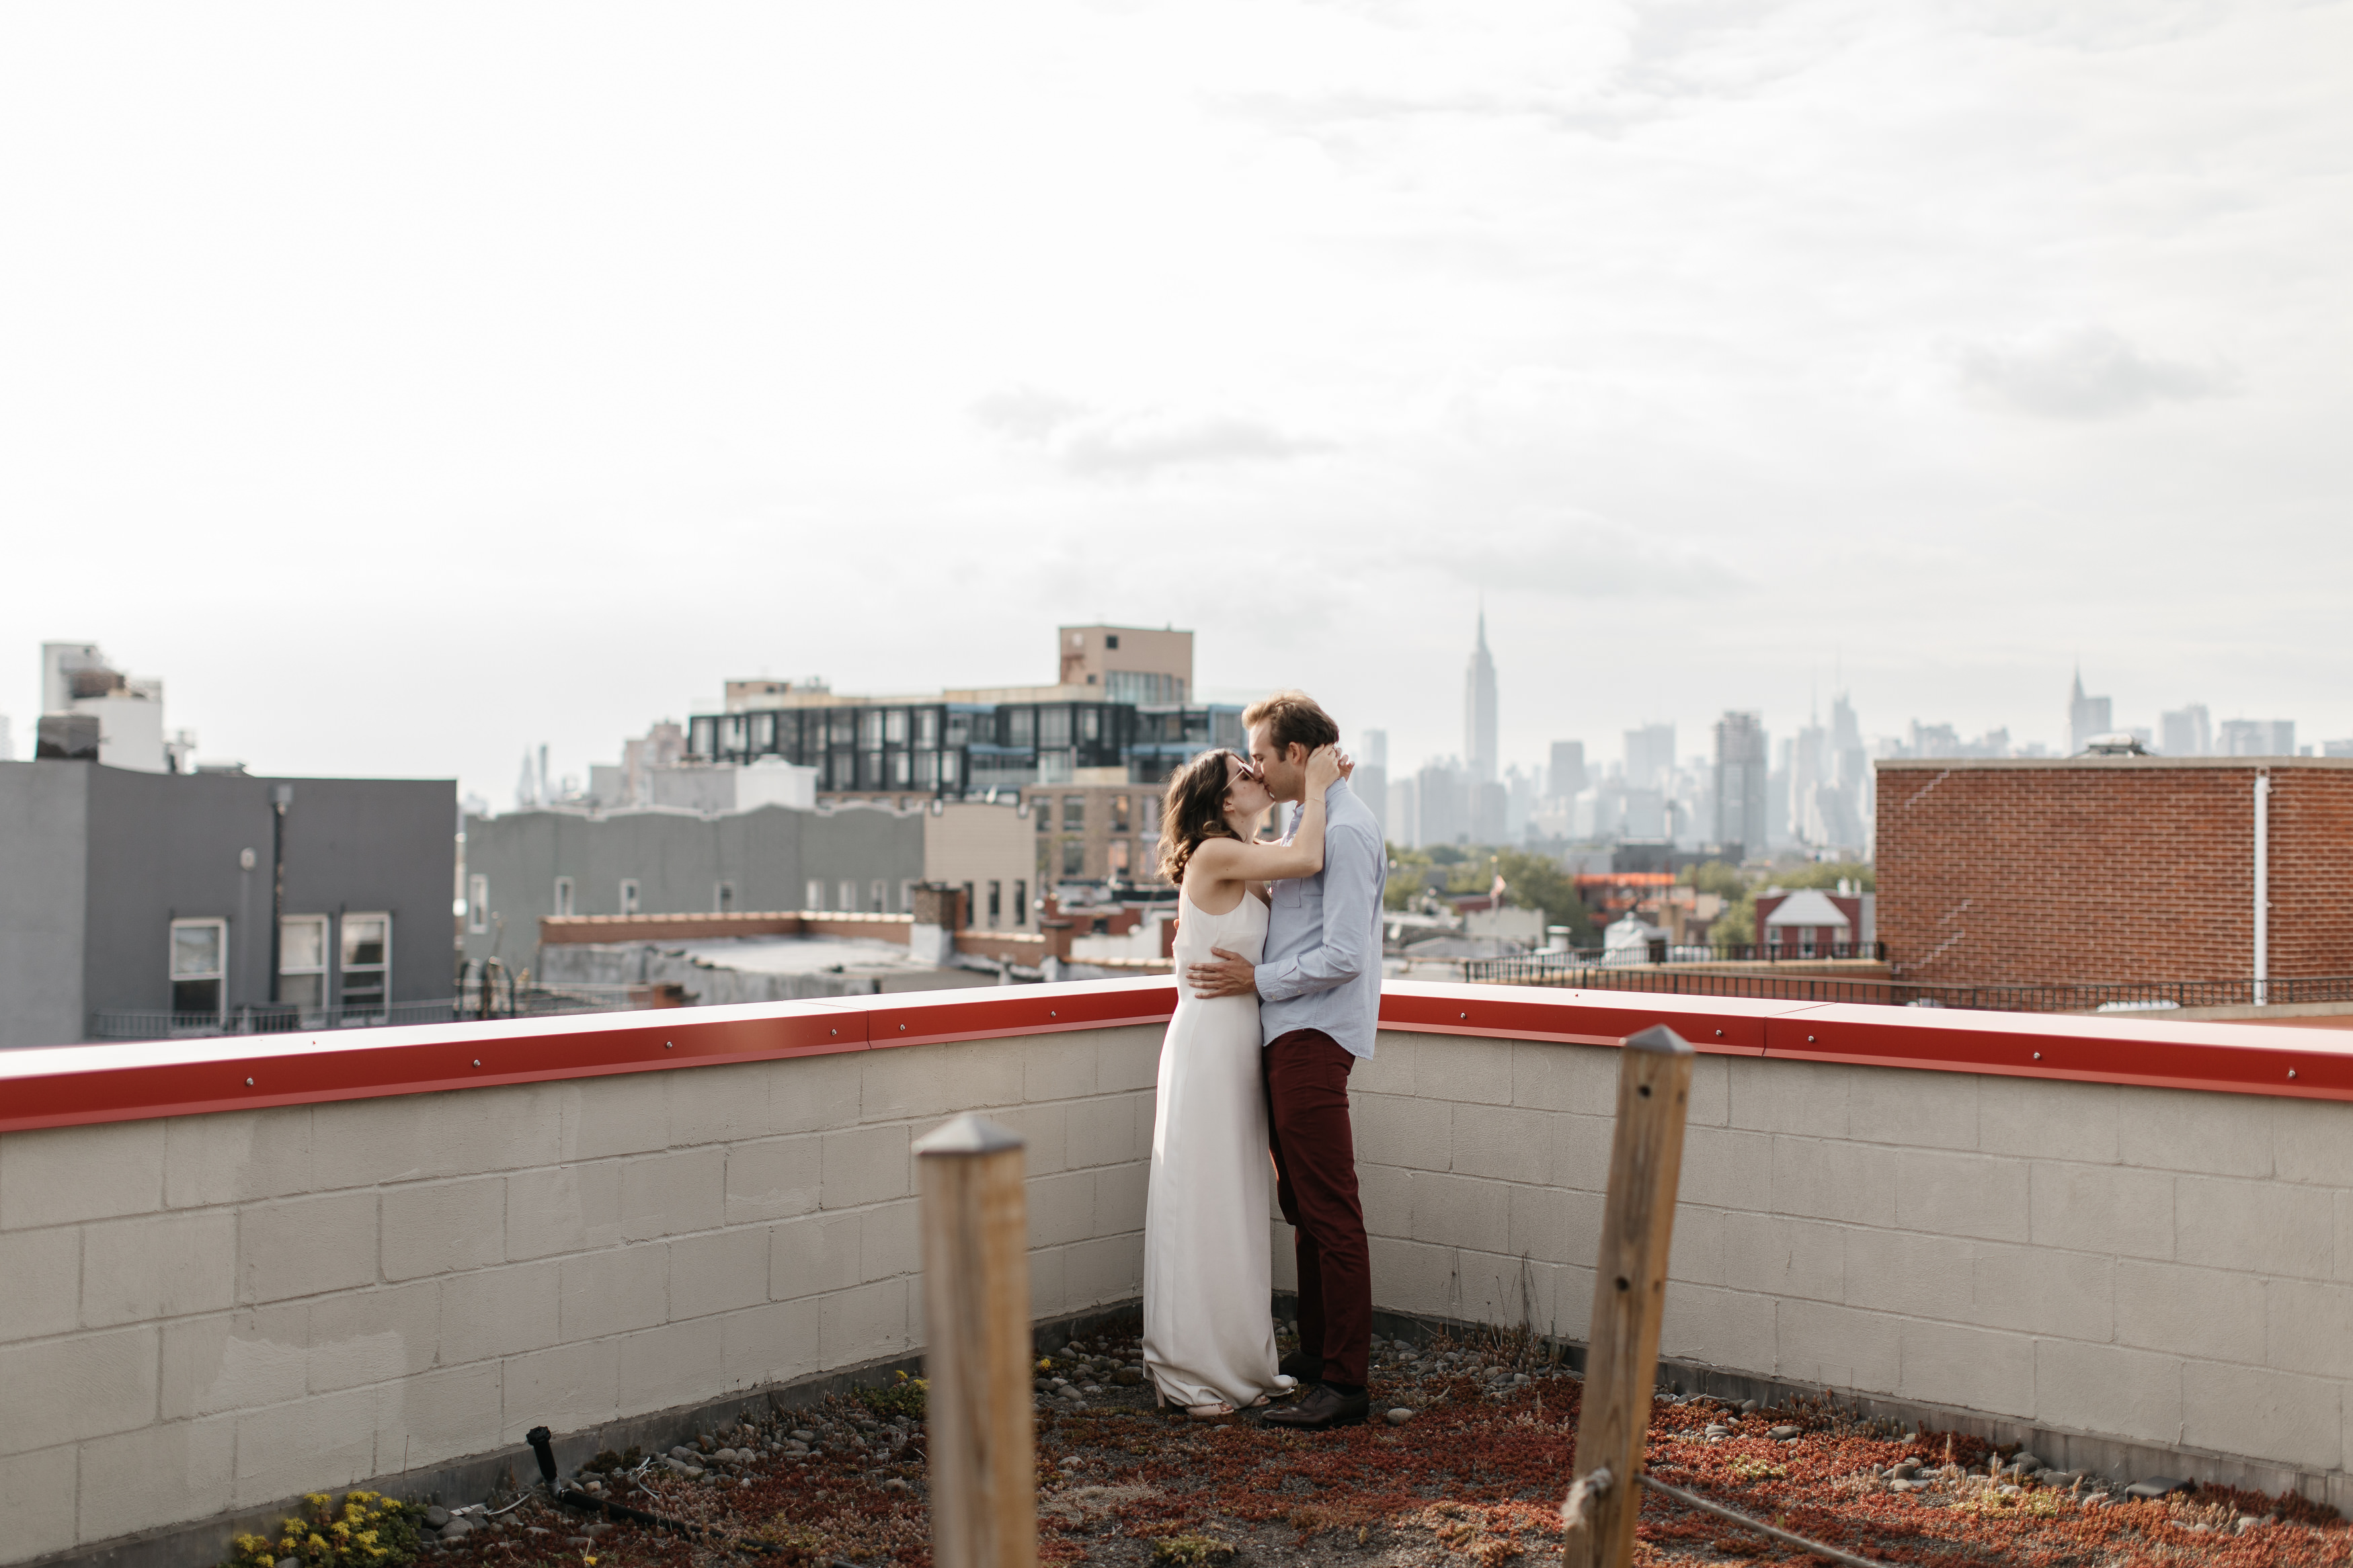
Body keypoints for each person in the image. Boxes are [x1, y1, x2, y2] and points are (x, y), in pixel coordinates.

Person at [1186, 691, 1385, 1432]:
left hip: (1310, 1034)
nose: (1259, 771)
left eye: (1264, 755)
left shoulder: (1349, 831)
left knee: (1330, 1209)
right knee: (1301, 1203)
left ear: (1296, 755)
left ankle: (1344, 1383)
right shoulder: (1314, 820)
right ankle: (1315, 1356)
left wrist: (1254, 980)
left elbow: (1341, 953)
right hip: (1285, 1033)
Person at [1142, 740, 1348, 1419]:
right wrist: (1315, 785)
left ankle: (1235, 1356)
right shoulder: (1212, 852)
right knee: (1200, 1200)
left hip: (1239, 1042)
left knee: (1231, 1202)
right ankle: (1192, 1365)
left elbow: (1296, 883)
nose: (1256, 774)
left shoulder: (1237, 859)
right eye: (1242, 772)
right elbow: (1307, 856)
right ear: (1223, 800)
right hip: (1208, 1042)